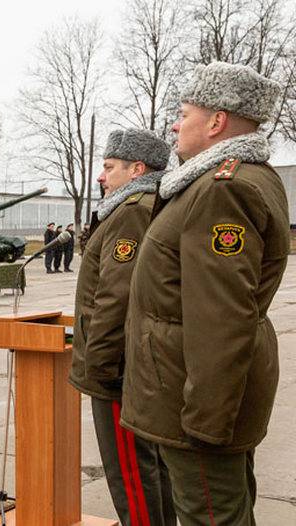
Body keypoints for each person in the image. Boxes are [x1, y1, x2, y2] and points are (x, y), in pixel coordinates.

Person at [121, 63, 289, 526]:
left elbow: (221, 318)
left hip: (195, 406)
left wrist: (205, 424)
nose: (175, 124)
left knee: (212, 516)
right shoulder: (223, 181)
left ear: (216, 123)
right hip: (191, 393)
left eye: (184, 112)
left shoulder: (224, 190)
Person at [69, 128, 175, 526]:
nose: (101, 175)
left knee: (131, 472)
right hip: (134, 363)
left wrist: (99, 368)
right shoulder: (142, 204)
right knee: (150, 468)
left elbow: (115, 299)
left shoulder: (131, 210)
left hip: (118, 368)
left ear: (137, 169)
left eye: (109, 167)